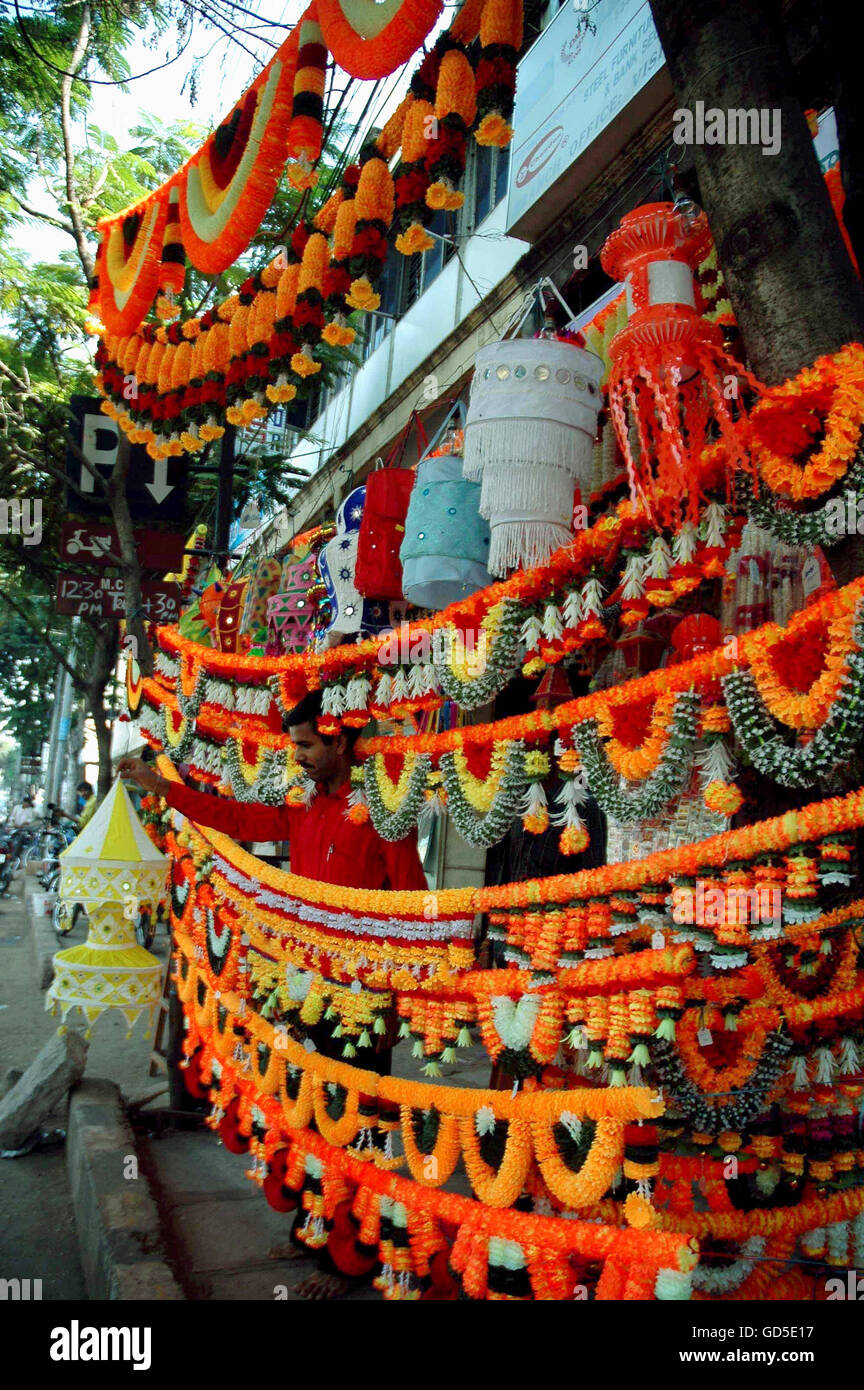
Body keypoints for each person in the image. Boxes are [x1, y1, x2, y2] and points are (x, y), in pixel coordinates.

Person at [118, 689, 428, 1298]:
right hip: (304, 988)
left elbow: (411, 909)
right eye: (296, 748)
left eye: (309, 746)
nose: (301, 758)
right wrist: (164, 790)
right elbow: (237, 821)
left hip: (360, 1003)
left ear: (340, 740)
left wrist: (398, 1003)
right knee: (307, 1118)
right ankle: (312, 1229)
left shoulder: (386, 813)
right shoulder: (303, 805)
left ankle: (349, 1260)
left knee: (355, 1130)